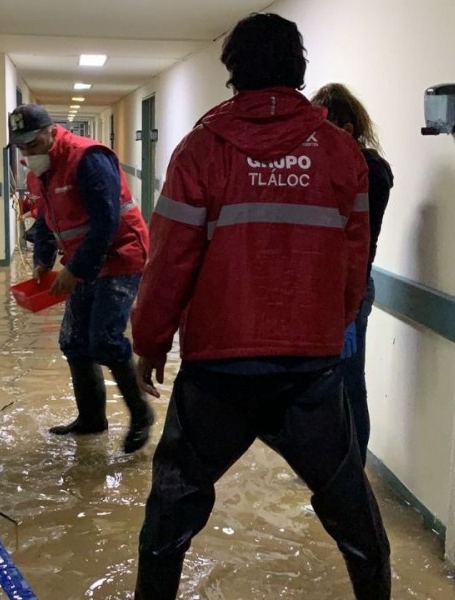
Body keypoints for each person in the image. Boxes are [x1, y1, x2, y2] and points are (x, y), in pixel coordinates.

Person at [130, 13, 390, 600]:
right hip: (309, 371)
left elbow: (170, 259)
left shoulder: (202, 148)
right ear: (299, 69)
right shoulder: (340, 152)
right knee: (354, 512)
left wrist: (149, 341)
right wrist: (332, 328)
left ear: (232, 71)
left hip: (220, 369)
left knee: (171, 517)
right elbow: (355, 262)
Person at [8, 104, 154, 454]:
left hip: (122, 253)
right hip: (85, 259)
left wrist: (75, 272)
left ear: (52, 131)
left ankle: (141, 415)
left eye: (33, 143)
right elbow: (45, 219)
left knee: (103, 339)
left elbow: (106, 222)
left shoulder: (88, 159)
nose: (28, 152)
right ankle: (91, 420)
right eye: (21, 147)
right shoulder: (37, 171)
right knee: (74, 342)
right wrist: (43, 260)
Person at [311, 84, 394, 465]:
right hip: (323, 290)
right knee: (324, 385)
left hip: (352, 289)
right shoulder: (333, 163)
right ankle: (328, 468)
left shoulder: (371, 170)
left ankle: (352, 472)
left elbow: (354, 238)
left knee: (348, 385)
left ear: (346, 127)